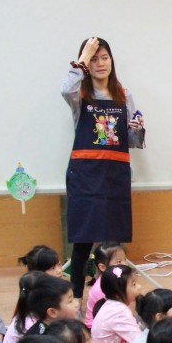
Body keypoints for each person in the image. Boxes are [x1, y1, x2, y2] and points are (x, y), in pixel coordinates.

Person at [62, 37, 145, 309]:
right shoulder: (79, 94)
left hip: (114, 174)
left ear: (112, 61)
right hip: (85, 174)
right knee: (83, 239)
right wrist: (82, 59)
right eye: (94, 58)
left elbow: (131, 141)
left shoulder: (123, 94)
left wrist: (137, 129)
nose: (100, 63)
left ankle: (115, 296)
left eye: (104, 57)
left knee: (113, 243)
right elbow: (64, 89)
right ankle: (77, 298)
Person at [91, 265, 142, 343]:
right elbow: (138, 341)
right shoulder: (119, 311)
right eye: (133, 284)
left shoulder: (110, 305)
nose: (139, 287)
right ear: (117, 294)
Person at [84, 241, 126, 328]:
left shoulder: (118, 279)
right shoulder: (102, 288)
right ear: (102, 267)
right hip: (97, 327)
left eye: (125, 260)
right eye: (119, 261)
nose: (125, 264)